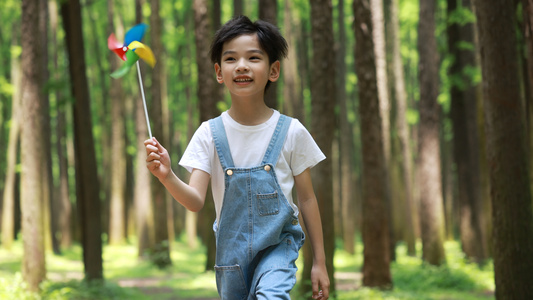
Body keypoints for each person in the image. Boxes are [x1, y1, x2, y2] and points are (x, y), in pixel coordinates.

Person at [145, 15, 330, 299]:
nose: (242, 65)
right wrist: (167, 176)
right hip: (230, 257)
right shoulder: (208, 134)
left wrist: (319, 262)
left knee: (272, 295)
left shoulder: (291, 131)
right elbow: (195, 201)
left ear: (273, 70)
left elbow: (306, 199)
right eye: (231, 59)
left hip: (278, 248)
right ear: (219, 72)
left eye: (254, 58)